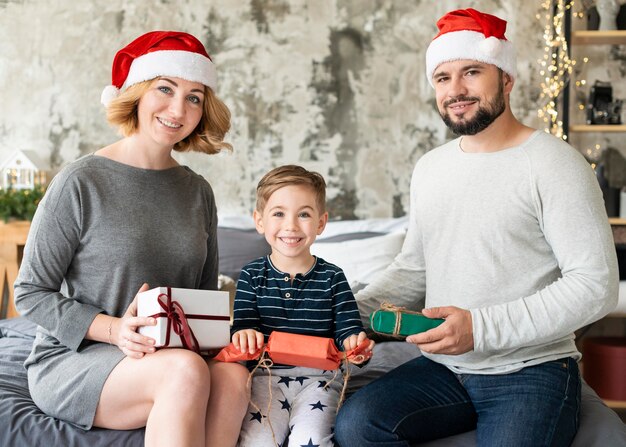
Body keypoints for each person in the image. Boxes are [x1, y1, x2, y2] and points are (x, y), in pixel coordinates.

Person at [334, 8, 619, 447]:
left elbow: (595, 284)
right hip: (444, 369)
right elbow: (414, 270)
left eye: (471, 72)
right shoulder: (431, 168)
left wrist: (480, 328)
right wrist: (345, 311)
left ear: (506, 78)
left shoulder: (555, 164)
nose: (456, 90)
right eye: (443, 78)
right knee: (356, 426)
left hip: (532, 370)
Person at [14, 31, 249, 446]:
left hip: (165, 356)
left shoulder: (198, 192)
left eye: (194, 96)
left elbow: (202, 298)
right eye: (165, 88)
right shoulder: (80, 181)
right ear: (136, 94)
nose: (178, 108)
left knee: (231, 377)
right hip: (78, 357)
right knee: (185, 371)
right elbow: (30, 292)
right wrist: (113, 330)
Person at [231, 164, 374, 447]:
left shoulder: (333, 277)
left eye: (304, 214)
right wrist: (243, 335)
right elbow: (243, 326)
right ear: (260, 221)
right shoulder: (251, 275)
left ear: (321, 223)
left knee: (310, 441)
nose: (291, 226)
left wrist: (356, 347)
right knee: (256, 441)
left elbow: (348, 331)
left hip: (320, 381)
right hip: (266, 378)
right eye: (279, 214)